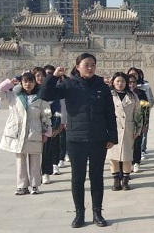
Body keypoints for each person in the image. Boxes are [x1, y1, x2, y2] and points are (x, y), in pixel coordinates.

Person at [39, 53, 118, 228]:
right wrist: (53, 77)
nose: (90, 68)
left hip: (98, 138)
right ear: (77, 66)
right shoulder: (69, 84)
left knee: (97, 177)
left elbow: (109, 112)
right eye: (86, 64)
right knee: (78, 177)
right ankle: (79, 214)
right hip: (76, 138)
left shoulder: (102, 86)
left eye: (93, 64)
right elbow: (45, 94)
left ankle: (97, 213)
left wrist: (112, 136)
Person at [0, 72, 52, 195]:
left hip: (34, 132)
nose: (28, 84)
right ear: (21, 83)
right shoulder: (13, 96)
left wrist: (46, 133)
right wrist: (10, 82)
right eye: (25, 81)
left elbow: (46, 116)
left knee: (35, 160)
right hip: (18, 132)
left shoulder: (40, 98)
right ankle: (22, 186)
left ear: (35, 83)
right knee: (20, 160)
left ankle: (35, 185)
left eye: (31, 81)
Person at [106, 72, 141, 192]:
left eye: (123, 81)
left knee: (127, 156)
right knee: (113, 156)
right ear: (113, 82)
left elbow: (138, 113)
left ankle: (125, 180)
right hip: (112, 129)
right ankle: (116, 180)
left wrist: (138, 129)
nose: (120, 84)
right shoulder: (109, 95)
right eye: (118, 81)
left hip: (128, 129)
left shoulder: (132, 96)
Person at [128, 75, 150, 173]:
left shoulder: (141, 93)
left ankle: (136, 162)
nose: (131, 84)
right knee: (128, 145)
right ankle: (128, 163)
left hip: (138, 122)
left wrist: (145, 124)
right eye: (129, 82)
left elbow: (146, 109)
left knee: (137, 143)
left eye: (133, 82)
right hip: (126, 123)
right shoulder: (123, 94)